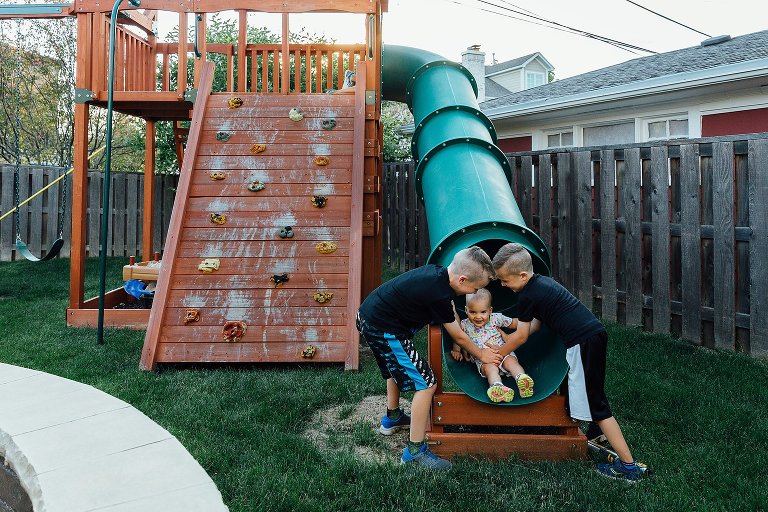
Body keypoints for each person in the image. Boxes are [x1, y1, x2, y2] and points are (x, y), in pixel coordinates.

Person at [491, 243, 650, 482]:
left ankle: (628, 467)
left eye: (505, 281)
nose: (503, 285)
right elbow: (534, 325)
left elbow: (523, 336)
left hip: (582, 342)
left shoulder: (527, 295)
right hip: (594, 335)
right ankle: (597, 433)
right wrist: (505, 330)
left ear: (522, 275)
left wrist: (499, 353)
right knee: (587, 389)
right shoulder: (541, 284)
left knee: (596, 404)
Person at [356, 246, 499, 470]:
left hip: (368, 316)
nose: (472, 293)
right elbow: (459, 336)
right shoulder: (438, 294)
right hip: (384, 329)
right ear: (462, 279)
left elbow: (451, 310)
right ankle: (414, 453)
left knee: (394, 369)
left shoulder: (439, 275)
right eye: (475, 288)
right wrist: (482, 353)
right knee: (426, 383)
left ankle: (392, 418)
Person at [459, 288, 534, 402]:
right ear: (466, 310)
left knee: (511, 362)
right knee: (490, 370)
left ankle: (521, 379)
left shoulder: (496, 318)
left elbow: (514, 323)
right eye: (473, 312)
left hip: (503, 352)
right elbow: (459, 339)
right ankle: (497, 387)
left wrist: (530, 318)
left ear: (490, 310)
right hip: (484, 361)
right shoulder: (464, 325)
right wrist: (456, 350)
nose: (478, 316)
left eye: (483, 312)